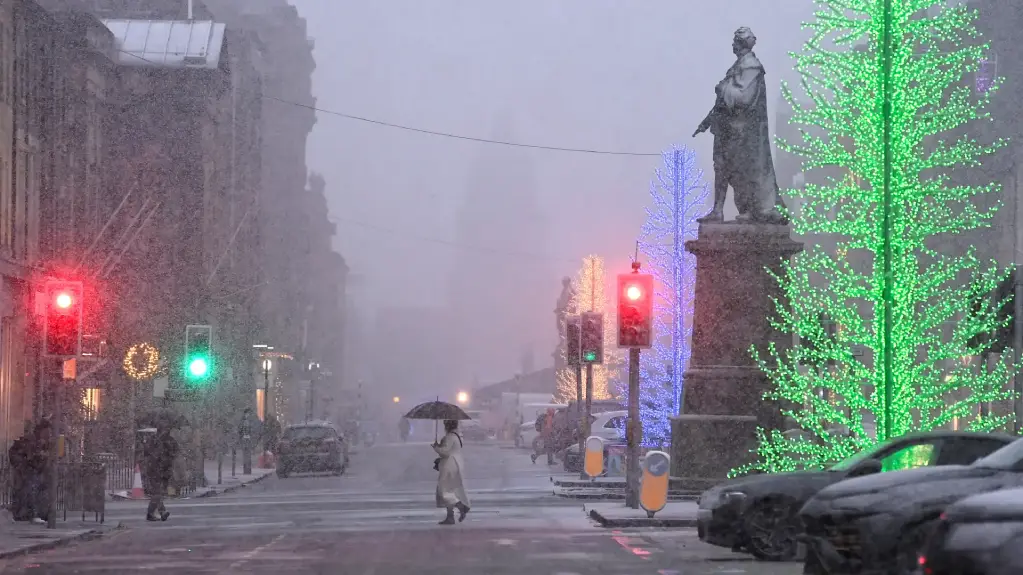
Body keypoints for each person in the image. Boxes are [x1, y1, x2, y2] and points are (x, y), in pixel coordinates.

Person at [432, 420, 470, 525]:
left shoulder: (449, 437)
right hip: (456, 464)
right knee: (450, 489)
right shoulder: (457, 436)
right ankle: (450, 516)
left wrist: (436, 448)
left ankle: (461, 507)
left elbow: (446, 452)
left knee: (443, 491)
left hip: (449, 465)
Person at [144, 426, 178, 521]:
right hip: (155, 471)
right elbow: (152, 456)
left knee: (158, 493)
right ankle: (162, 511)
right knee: (157, 493)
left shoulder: (168, 441)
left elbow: (172, 455)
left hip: (162, 471)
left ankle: (150, 513)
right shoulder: (155, 441)